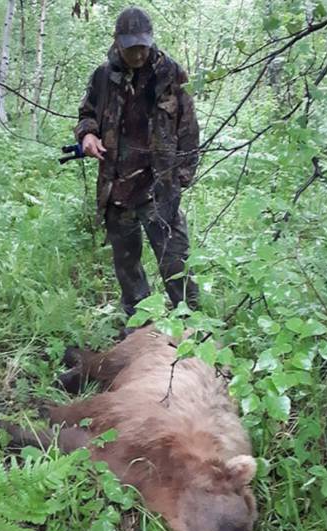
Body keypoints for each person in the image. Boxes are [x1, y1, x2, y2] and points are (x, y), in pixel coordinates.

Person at [74, 6, 200, 317]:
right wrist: (87, 136)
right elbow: (86, 114)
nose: (139, 53)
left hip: (159, 185)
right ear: (118, 43)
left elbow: (189, 127)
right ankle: (141, 324)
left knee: (174, 258)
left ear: (151, 40)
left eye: (143, 45)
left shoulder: (170, 74)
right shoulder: (103, 78)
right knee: (127, 264)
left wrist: (182, 175)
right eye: (132, 47)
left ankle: (192, 322)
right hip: (117, 187)